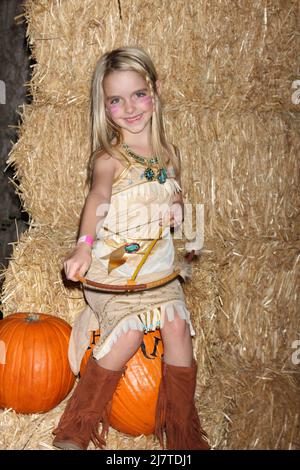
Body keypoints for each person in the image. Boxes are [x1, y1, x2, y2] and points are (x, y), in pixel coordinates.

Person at [52, 46, 210, 451]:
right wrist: (83, 247)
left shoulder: (168, 155)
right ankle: (76, 427)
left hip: (157, 274)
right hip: (114, 271)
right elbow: (96, 200)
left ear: (155, 91)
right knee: (129, 332)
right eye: (116, 100)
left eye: (138, 94)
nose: (130, 107)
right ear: (104, 108)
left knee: (177, 325)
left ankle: (181, 431)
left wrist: (177, 208)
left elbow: (174, 193)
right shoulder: (109, 159)